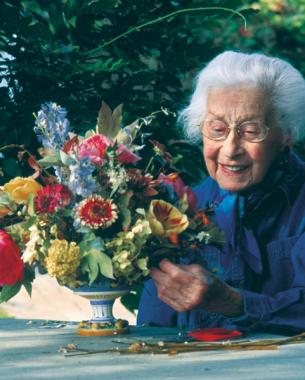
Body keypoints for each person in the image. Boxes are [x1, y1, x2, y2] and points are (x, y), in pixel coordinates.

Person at [137, 51, 305, 333]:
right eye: (217, 129)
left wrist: (232, 303)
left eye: (251, 131)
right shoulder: (181, 210)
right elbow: (154, 330)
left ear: (287, 133)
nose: (230, 149)